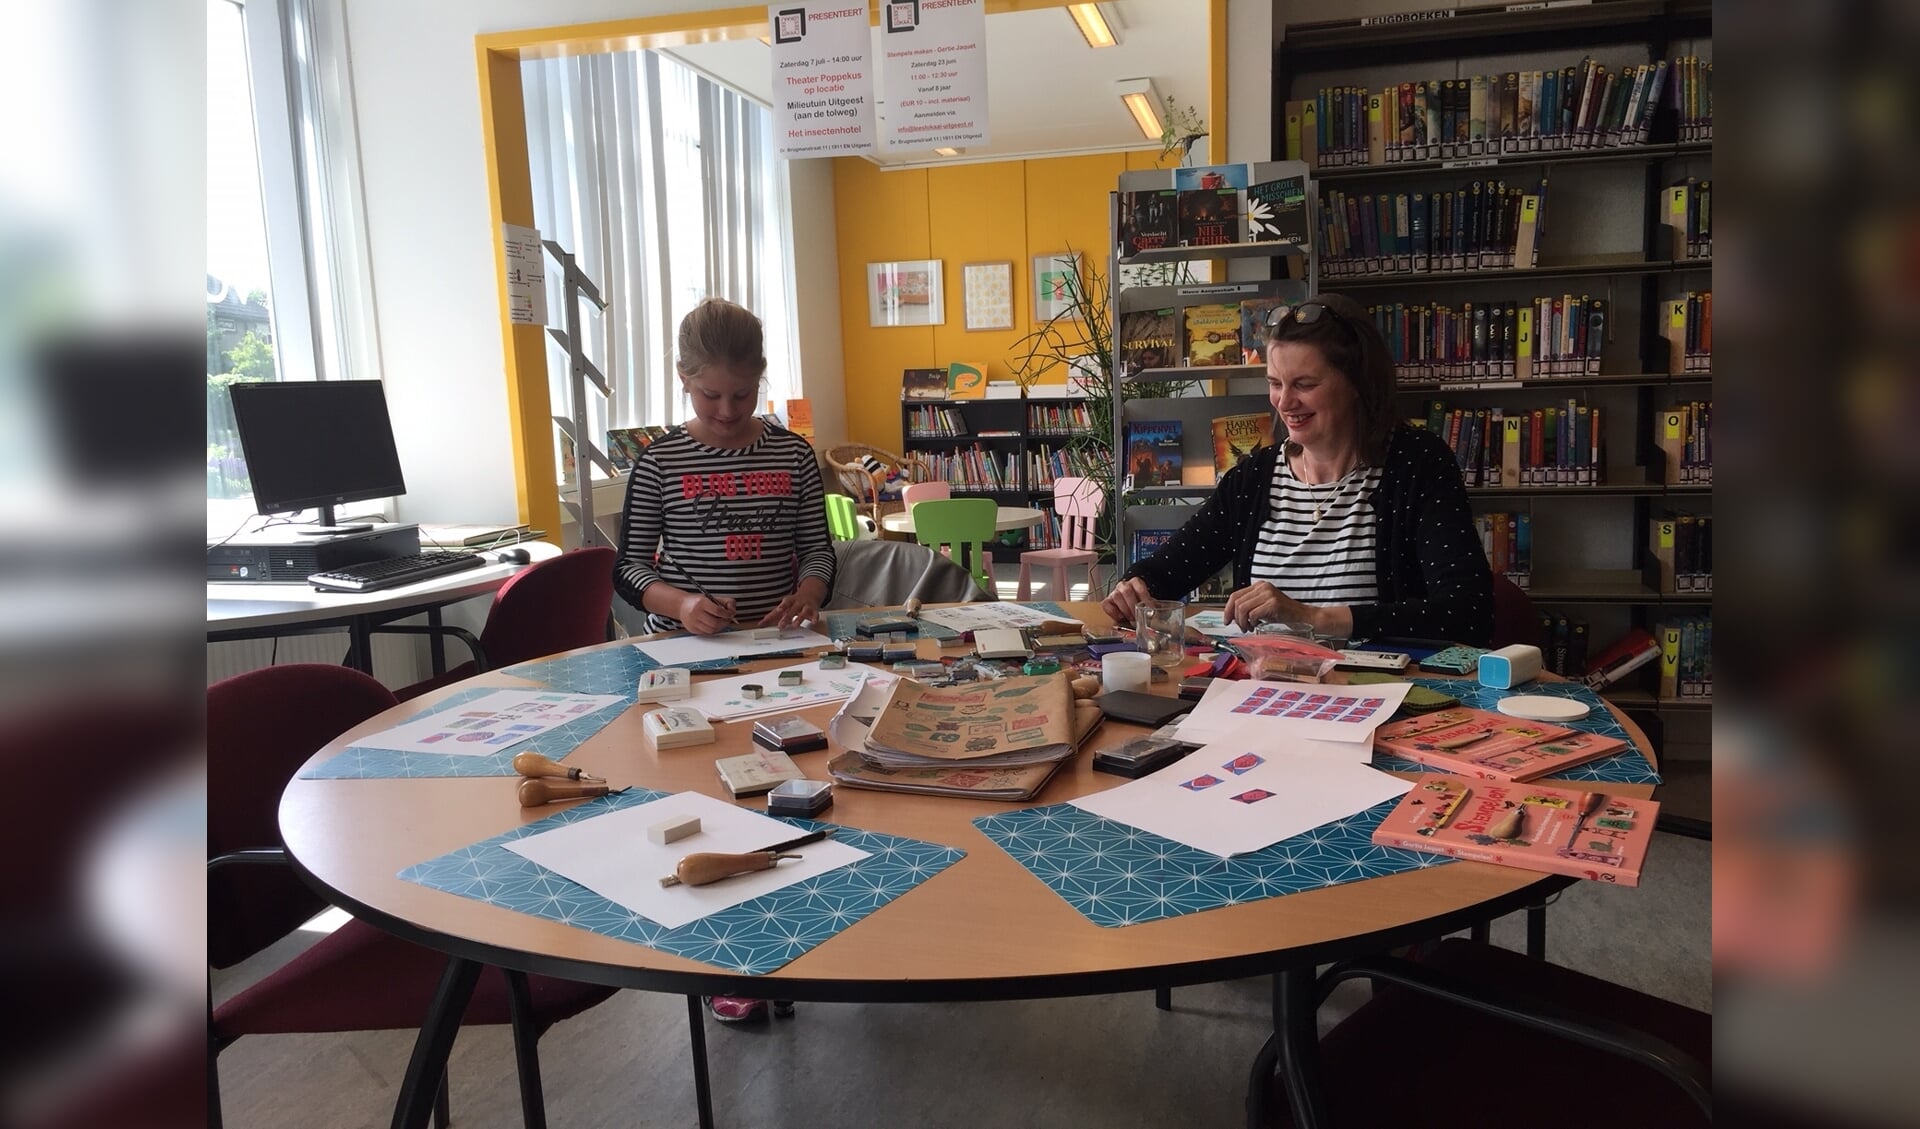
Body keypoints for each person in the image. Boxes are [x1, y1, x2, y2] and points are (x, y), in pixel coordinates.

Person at [1102, 293, 1492, 646]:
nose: (1284, 402)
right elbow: (1168, 569)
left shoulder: (1416, 465)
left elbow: (1468, 615)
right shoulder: (1251, 479)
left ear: (1356, 382)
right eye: (1275, 383)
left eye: (1304, 384)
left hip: (1376, 698)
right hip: (1265, 694)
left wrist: (1311, 618)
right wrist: (1134, 589)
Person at [614, 297, 835, 638]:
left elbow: (817, 550)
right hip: (680, 642)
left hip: (773, 638)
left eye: (743, 394)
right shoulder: (660, 461)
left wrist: (808, 594)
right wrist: (682, 605)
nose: (728, 410)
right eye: (710, 395)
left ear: (759, 378)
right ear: (683, 378)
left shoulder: (794, 455)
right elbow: (630, 567)